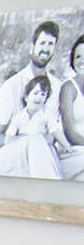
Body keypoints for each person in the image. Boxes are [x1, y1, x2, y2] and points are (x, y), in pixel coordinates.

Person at [0, 20, 63, 176]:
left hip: (45, 156)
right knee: (36, 142)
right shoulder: (11, 86)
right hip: (9, 157)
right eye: (42, 43)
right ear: (31, 47)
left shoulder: (57, 86)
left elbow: (55, 132)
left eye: (50, 44)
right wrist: (31, 142)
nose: (46, 49)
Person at [55, 32, 84, 180]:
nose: (82, 61)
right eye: (78, 56)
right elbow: (70, 132)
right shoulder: (69, 88)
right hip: (74, 152)